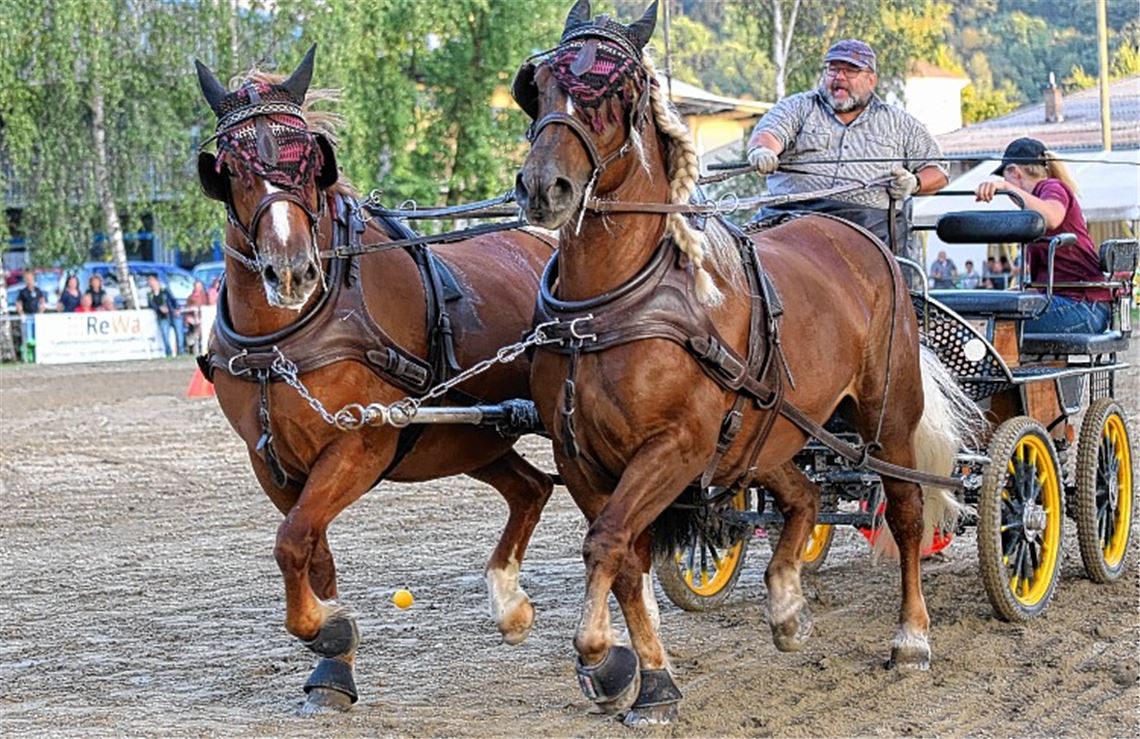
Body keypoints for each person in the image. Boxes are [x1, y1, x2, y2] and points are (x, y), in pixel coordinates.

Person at [746, 39, 949, 253]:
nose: (839, 77)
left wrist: (914, 183)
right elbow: (768, 135)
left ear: (871, 79)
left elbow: (939, 171)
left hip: (869, 229)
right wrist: (763, 152)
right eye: (833, 70)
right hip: (789, 217)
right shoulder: (796, 107)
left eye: (851, 71)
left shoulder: (900, 124)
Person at [975, 137, 1112, 334]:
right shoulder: (1036, 202)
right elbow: (1049, 281)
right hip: (1069, 302)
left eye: (1006, 177)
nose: (1005, 185)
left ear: (1015, 172)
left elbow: (1052, 217)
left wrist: (1006, 187)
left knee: (990, 326)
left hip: (1084, 307)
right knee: (990, 312)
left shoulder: (1052, 187)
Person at [145, 274, 184, 356]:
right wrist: (160, 309)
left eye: (152, 281)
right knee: (165, 336)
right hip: (163, 317)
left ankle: (181, 352)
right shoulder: (150, 295)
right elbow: (152, 305)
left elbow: (173, 301)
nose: (151, 284)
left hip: (173, 314)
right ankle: (168, 353)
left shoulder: (165, 291)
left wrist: (176, 309)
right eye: (149, 282)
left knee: (179, 335)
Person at [14, 271, 46, 360]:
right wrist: (21, 314)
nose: (29, 281)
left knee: (38, 336)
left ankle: (38, 356)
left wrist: (41, 312)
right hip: (27, 317)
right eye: (27, 279)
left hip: (36, 317)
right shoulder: (22, 292)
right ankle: (28, 357)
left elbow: (42, 302)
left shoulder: (38, 290)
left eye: (31, 279)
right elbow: (18, 304)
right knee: (28, 337)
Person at [183, 279, 210, 354]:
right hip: (194, 319)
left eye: (199, 286)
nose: (198, 288)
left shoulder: (206, 296)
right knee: (193, 330)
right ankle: (193, 345)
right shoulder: (191, 297)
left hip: (204, 318)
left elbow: (209, 306)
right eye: (196, 286)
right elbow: (187, 308)